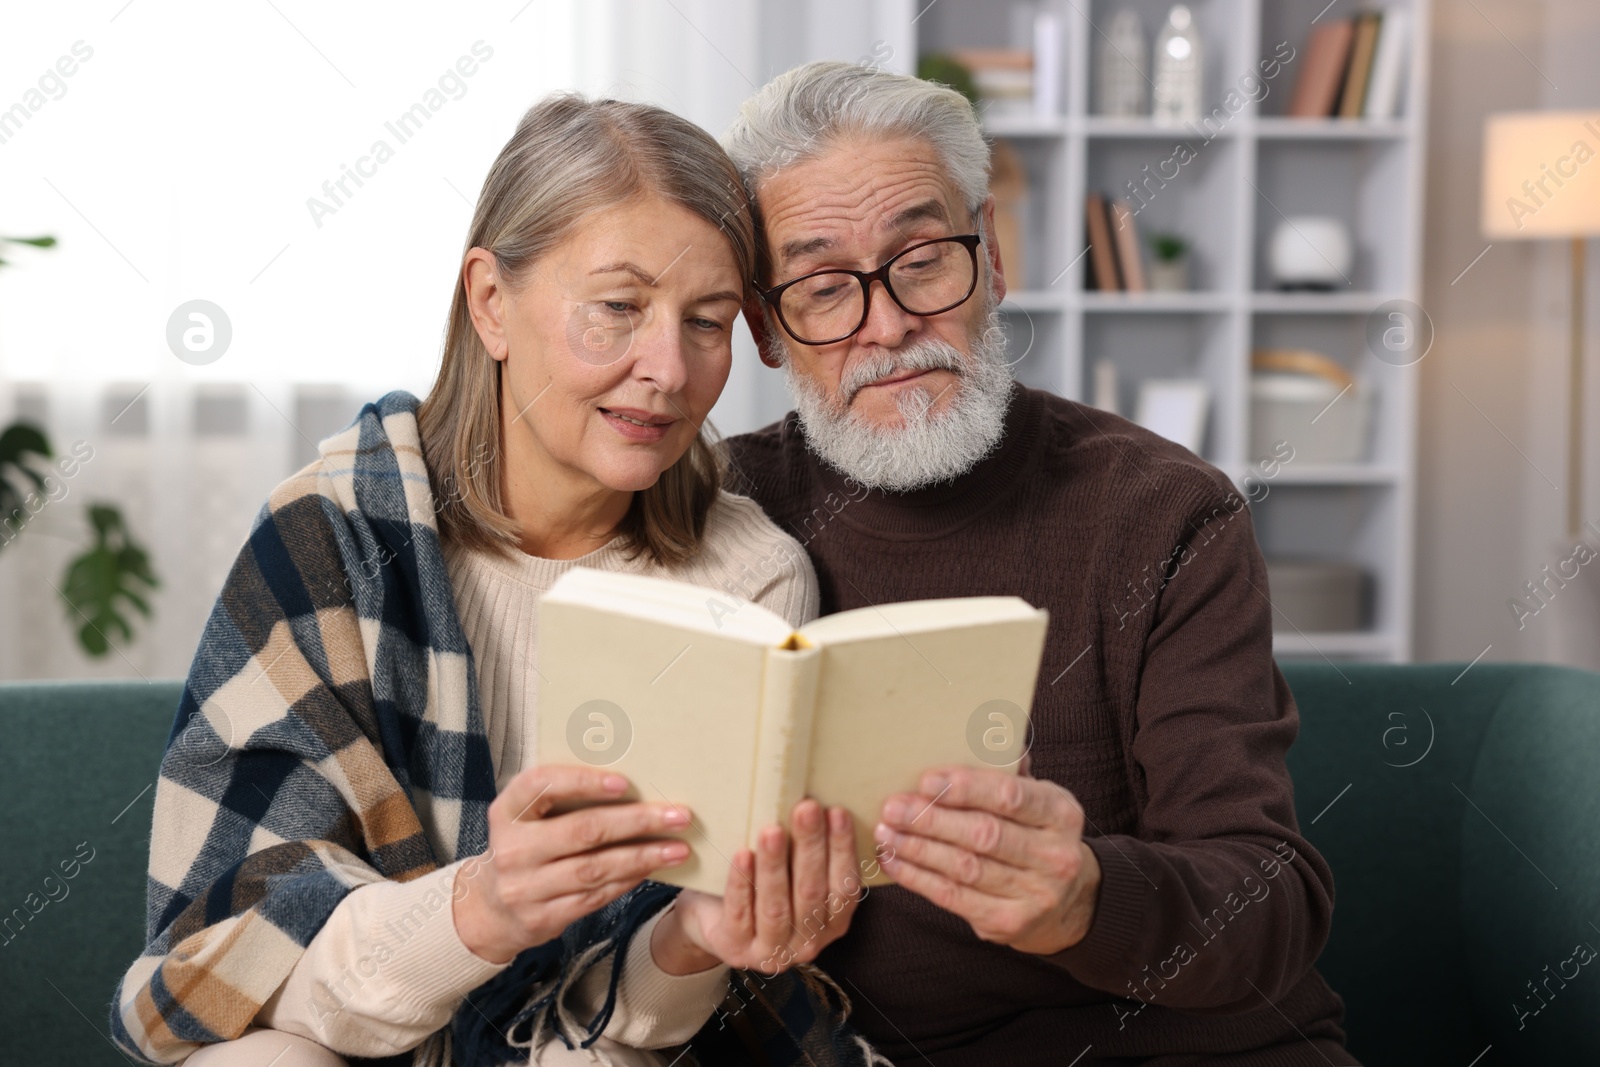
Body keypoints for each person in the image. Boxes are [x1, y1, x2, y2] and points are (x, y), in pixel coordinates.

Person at [110, 94, 869, 1067]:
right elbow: (230, 970)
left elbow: (638, 1031)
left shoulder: (750, 578)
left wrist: (691, 940)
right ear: (490, 301)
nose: (669, 368)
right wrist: (484, 906)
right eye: (618, 308)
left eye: (708, 320)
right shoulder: (333, 537)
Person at [720, 61, 1357, 1065]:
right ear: (764, 328)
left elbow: (1272, 898)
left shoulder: (1163, 511)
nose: (886, 325)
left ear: (994, 257)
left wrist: (1086, 897)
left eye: (922, 257)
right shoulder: (715, 514)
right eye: (823, 287)